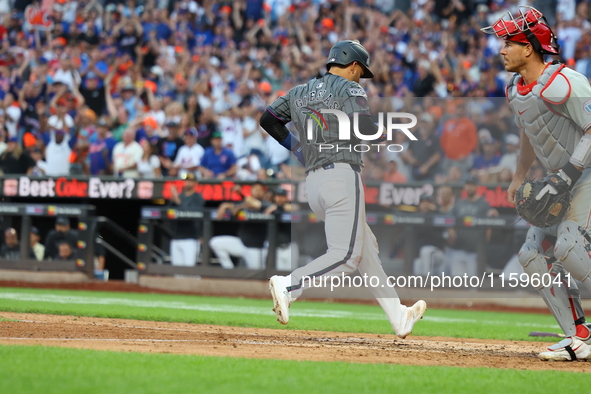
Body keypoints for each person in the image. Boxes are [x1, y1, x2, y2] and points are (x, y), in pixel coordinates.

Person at [259, 40, 426, 338]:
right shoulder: (350, 88)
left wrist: (297, 148)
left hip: (313, 184)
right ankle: (289, 285)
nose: (360, 77)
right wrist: (385, 134)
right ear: (352, 65)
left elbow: (268, 119)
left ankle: (398, 316)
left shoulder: (299, 91)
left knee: (365, 251)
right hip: (341, 177)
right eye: (360, 71)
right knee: (347, 256)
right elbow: (364, 127)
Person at [483, 6, 591, 361]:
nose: (501, 49)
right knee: (531, 254)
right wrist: (518, 176)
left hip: (585, 176)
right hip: (561, 183)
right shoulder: (516, 88)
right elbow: (530, 133)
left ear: (528, 47)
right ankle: (579, 336)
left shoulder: (566, 82)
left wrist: (569, 172)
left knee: (567, 247)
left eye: (507, 42)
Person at [210, 183, 271, 270]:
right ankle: (230, 272)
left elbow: (256, 204)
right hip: (241, 244)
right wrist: (224, 206)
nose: (257, 192)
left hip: (255, 248)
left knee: (258, 275)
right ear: (251, 191)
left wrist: (241, 194)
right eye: (255, 189)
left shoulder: (266, 204)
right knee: (215, 242)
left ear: (263, 193)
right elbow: (233, 208)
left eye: (260, 190)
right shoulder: (244, 204)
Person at [446, 177, 498, 277]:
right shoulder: (460, 204)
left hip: (474, 252)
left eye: (472, 185)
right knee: (457, 282)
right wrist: (451, 232)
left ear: (476, 186)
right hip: (458, 250)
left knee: (473, 284)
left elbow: (488, 228)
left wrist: (483, 246)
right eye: (467, 185)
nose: (469, 187)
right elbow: (449, 220)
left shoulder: (483, 204)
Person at [169, 172, 205, 267]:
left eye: (190, 181)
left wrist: (176, 199)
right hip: (176, 237)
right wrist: (173, 199)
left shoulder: (198, 198)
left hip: (191, 238)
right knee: (177, 272)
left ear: (195, 183)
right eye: (185, 181)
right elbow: (168, 213)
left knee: (189, 270)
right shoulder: (179, 196)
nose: (187, 183)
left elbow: (189, 213)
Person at [264, 188, 299, 271]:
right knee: (278, 274)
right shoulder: (269, 206)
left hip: (290, 246)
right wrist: (272, 209)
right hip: (276, 247)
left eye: (281, 196)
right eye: (277, 196)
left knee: (292, 273)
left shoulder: (288, 206)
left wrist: (278, 207)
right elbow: (265, 214)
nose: (279, 198)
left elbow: (296, 208)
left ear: (286, 197)